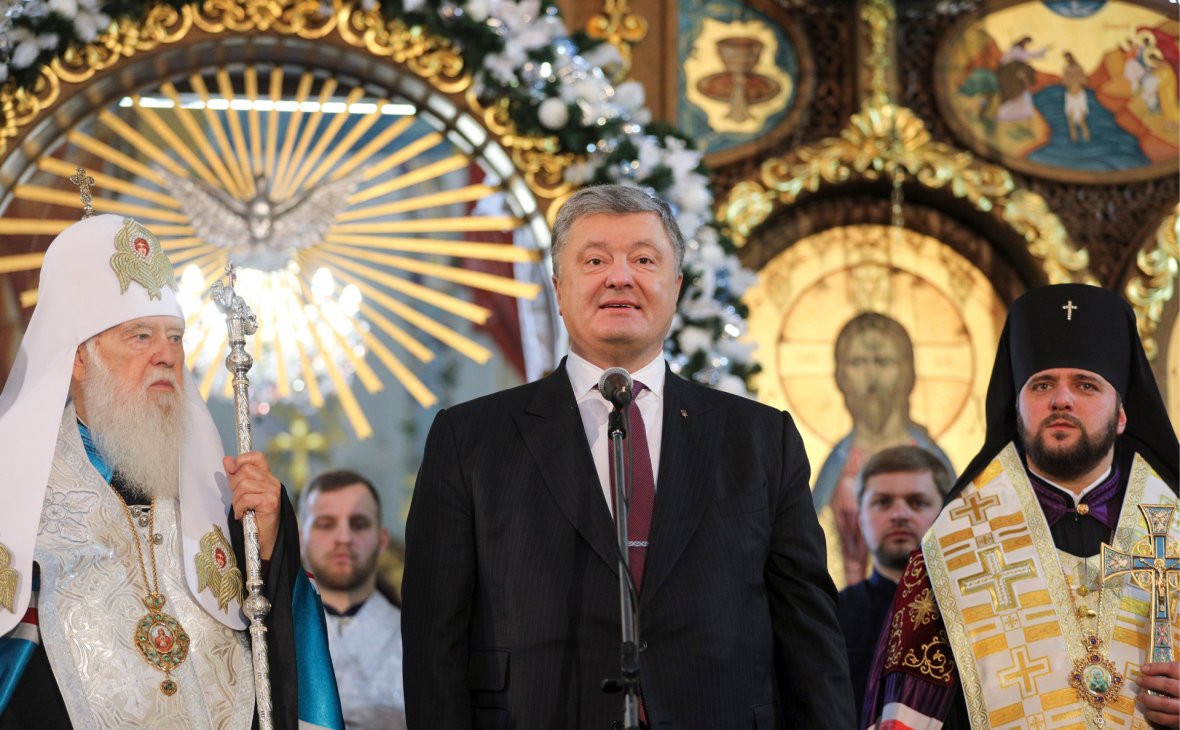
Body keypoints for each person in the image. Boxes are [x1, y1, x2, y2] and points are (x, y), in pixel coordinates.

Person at [402, 184, 854, 728]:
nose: (620, 277)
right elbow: (434, 639)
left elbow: (809, 632)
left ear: (676, 286)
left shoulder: (759, 439)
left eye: (644, 259)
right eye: (595, 261)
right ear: (559, 288)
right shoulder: (470, 440)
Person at [0, 213, 343, 729]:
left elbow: (276, 653)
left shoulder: (220, 494)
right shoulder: (15, 499)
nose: (166, 355)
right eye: (140, 336)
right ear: (79, 359)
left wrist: (268, 543)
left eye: (176, 338)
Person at [862, 284, 1179, 730]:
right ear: (1017, 410)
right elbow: (908, 715)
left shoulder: (1173, 528)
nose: (1061, 399)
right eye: (1042, 384)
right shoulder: (949, 548)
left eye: (1086, 385)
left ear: (1123, 414)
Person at [813, 312, 953, 585]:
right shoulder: (836, 463)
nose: (871, 377)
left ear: (906, 373)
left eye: (883, 362)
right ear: (840, 375)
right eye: (857, 362)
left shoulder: (930, 457)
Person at [837, 445, 950, 725]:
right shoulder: (831, 615)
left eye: (917, 502)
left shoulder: (973, 608)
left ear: (946, 513)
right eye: (882, 502)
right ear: (860, 517)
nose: (899, 514)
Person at [301, 469, 405, 730]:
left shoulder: (416, 637)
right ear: (302, 539)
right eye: (326, 524)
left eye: (359, 524)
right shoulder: (278, 635)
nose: (344, 538)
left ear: (382, 541)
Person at [1063, 51, 1090, 143]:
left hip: (1079, 96)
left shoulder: (1079, 67)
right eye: (1066, 59)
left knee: (1082, 120)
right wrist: (1070, 80)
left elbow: (1084, 80)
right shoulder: (1066, 69)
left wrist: (1076, 79)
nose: (1067, 60)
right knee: (1070, 121)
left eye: (1068, 58)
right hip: (1070, 96)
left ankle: (1086, 140)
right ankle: (1074, 141)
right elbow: (1065, 82)